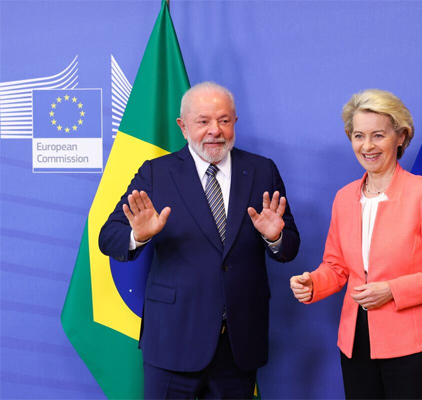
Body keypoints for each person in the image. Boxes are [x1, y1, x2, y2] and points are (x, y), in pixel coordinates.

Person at [99, 81, 300, 399]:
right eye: (203, 121)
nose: (214, 131)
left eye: (224, 120)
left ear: (235, 122)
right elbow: (108, 238)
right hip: (172, 342)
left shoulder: (262, 170)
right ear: (183, 126)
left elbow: (289, 247)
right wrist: (138, 235)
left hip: (239, 346)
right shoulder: (156, 173)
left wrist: (275, 237)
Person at [290, 89, 422, 399]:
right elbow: (337, 266)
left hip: (415, 345)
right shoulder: (344, 197)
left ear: (401, 137)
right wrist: (312, 283)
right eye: (358, 136)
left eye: (378, 135)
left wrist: (392, 290)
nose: (367, 146)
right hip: (355, 341)